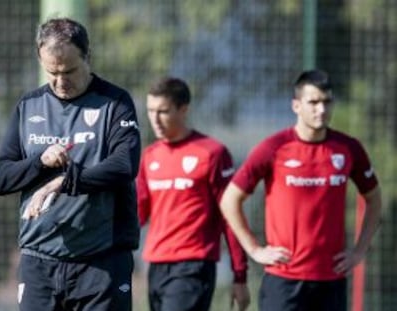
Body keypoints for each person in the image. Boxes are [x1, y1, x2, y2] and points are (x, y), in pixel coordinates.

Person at [0, 18, 141, 311]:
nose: (61, 82)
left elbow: (124, 166)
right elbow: (0, 177)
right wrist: (40, 161)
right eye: (52, 72)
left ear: (88, 57)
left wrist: (65, 181)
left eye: (69, 71)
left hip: (101, 263)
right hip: (39, 262)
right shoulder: (28, 106)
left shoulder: (115, 102)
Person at [219, 69, 382, 311]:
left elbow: (374, 198)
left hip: (331, 280)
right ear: (296, 105)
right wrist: (255, 249)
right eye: (313, 102)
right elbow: (230, 200)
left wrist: (359, 251)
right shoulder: (274, 148)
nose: (321, 109)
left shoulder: (348, 149)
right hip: (284, 281)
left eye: (327, 102)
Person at [136, 77, 251, 311]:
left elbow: (230, 217)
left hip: (193, 266)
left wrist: (240, 274)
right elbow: (138, 213)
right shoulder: (150, 155)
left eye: (163, 111)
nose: (155, 119)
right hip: (156, 265)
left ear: (183, 109)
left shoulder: (212, 153)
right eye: (150, 111)